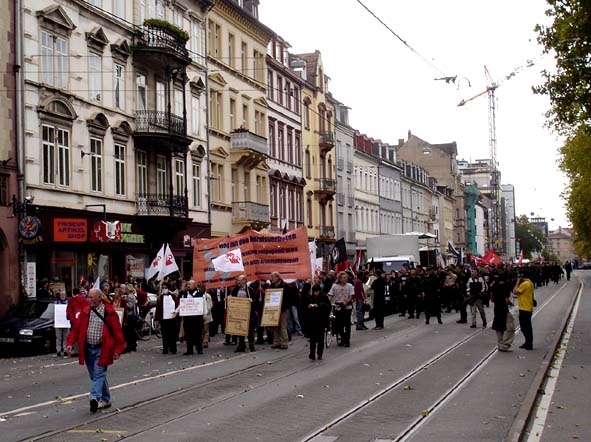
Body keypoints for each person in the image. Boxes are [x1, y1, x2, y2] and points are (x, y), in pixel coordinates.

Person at [66, 288, 126, 412]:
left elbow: (117, 332)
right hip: (88, 349)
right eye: (88, 297)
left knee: (98, 374)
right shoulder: (86, 311)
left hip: (103, 349)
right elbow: (76, 328)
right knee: (95, 375)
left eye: (91, 297)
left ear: (99, 298)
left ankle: (94, 397)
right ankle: (106, 399)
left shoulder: (109, 312)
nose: (89, 299)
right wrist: (70, 343)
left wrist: (117, 350)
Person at [230, 275, 257, 352]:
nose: (238, 281)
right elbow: (232, 297)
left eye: (240, 280)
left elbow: (256, 301)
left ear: (244, 280)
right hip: (239, 313)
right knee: (240, 330)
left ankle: (252, 346)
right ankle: (241, 346)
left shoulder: (250, 290)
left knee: (250, 330)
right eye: (238, 280)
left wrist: (252, 301)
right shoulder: (236, 290)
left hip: (248, 313)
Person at [328, 271, 354, 347]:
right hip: (338, 307)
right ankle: (342, 337)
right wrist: (328, 301)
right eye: (344, 278)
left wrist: (346, 302)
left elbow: (351, 296)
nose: (346, 279)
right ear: (339, 279)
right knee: (338, 324)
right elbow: (330, 295)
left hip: (347, 307)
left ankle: (347, 340)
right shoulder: (335, 286)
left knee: (347, 324)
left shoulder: (350, 286)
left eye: (346, 277)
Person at [178, 280, 205, 355]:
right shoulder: (184, 294)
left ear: (194, 285)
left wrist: (204, 314)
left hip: (197, 318)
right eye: (188, 284)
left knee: (198, 334)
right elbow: (181, 303)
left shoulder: (199, 293)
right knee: (188, 334)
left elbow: (202, 304)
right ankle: (189, 350)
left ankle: (199, 349)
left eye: (190, 284)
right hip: (188, 318)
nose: (188, 285)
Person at [491, 273, 515, 352]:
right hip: (504, 309)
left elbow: (492, 298)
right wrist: (512, 304)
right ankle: (505, 344)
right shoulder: (504, 287)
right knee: (510, 327)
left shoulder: (494, 287)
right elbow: (506, 300)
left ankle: (500, 343)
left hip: (497, 309)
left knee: (499, 326)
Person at [306, 285, 330, 360]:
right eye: (314, 291)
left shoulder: (323, 297)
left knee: (320, 338)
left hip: (321, 320)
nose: (315, 293)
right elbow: (305, 306)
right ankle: (312, 353)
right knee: (312, 338)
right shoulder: (311, 298)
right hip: (312, 320)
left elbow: (328, 306)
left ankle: (320, 353)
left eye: (317, 291)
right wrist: (309, 306)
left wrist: (319, 305)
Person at [155, 282, 179, 354]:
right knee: (165, 334)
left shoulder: (173, 296)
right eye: (163, 288)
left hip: (172, 318)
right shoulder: (161, 297)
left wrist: (176, 314)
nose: (164, 289)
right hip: (163, 319)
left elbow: (177, 306)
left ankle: (173, 348)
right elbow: (158, 308)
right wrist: (157, 318)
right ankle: (165, 348)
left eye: (165, 287)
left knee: (172, 334)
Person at [269, 272, 289, 349]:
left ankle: (284, 342)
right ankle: (276, 342)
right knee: (275, 326)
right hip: (274, 309)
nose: (272, 279)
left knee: (282, 325)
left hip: (282, 309)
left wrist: (282, 306)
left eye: (273, 277)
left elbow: (287, 298)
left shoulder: (285, 286)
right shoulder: (271, 286)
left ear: (277, 278)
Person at [514, 276, 535, 350]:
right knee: (526, 327)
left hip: (525, 308)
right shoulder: (529, 282)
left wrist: (517, 282)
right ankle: (528, 342)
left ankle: (529, 343)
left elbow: (515, 291)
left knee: (525, 327)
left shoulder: (525, 284)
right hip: (527, 307)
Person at [54, 290, 69, 357]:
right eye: (61, 295)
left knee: (66, 337)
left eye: (64, 295)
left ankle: (65, 350)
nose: (63, 296)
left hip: (66, 322)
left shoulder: (68, 302)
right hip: (58, 322)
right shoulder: (56, 302)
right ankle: (58, 350)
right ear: (59, 296)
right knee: (58, 337)